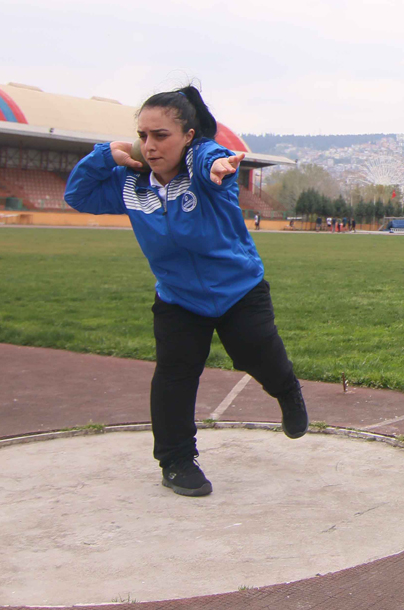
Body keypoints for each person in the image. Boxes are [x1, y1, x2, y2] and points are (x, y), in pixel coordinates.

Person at [65, 85, 309, 498]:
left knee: (256, 355)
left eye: (161, 135)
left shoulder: (204, 167)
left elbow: (213, 162)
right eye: (143, 136)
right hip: (178, 298)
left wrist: (217, 169)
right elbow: (78, 195)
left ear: (188, 137)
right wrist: (105, 154)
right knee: (175, 375)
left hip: (238, 290)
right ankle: (177, 461)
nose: (150, 145)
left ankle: (286, 391)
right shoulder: (130, 184)